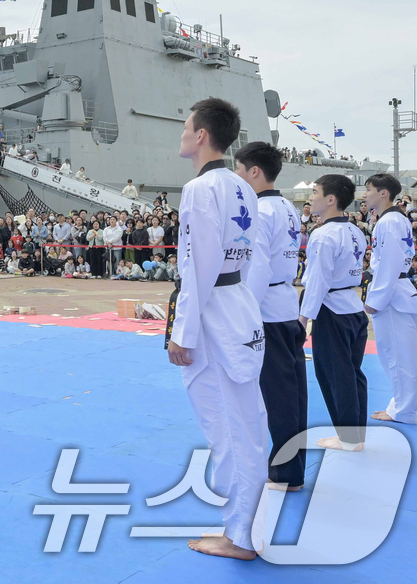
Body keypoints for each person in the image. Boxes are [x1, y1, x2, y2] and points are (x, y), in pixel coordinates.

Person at [168, 98, 267, 561]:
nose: (182, 134)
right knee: (244, 424)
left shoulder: (201, 190)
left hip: (213, 313)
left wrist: (182, 333)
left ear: (202, 135)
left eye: (186, 127)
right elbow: (247, 260)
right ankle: (242, 528)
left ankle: (240, 536)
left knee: (227, 427)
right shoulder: (244, 187)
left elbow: (198, 267)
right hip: (240, 305)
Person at [233, 141, 307, 491]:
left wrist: (244, 313)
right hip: (285, 303)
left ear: (254, 172)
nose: (236, 177)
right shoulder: (287, 207)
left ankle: (284, 471)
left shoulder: (261, 211)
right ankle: (291, 467)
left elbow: (257, 268)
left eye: (238, 170)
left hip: (267, 309)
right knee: (293, 393)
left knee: (277, 395)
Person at [300, 173, 369, 454]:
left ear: (330, 199)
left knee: (334, 374)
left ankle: (349, 439)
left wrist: (303, 318)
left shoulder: (323, 234)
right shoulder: (354, 230)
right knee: (352, 373)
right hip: (353, 308)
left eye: (315, 192)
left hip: (332, 310)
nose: (311, 197)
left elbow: (317, 280)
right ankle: (355, 435)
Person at [363, 173, 417, 425]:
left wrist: (374, 300)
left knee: (397, 356)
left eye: (368, 189)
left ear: (383, 193)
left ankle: (402, 410)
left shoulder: (388, 222)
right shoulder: (394, 219)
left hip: (393, 294)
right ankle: (401, 407)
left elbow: (388, 263)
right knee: (402, 356)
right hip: (400, 290)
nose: (364, 194)